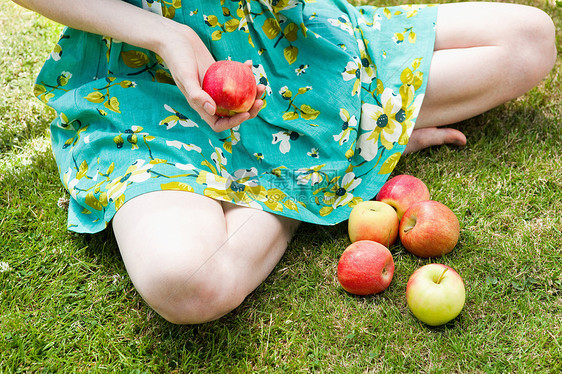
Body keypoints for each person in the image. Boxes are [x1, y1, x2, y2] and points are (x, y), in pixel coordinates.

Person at [12, 0, 556, 324]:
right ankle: (321, 179)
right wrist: (164, 34)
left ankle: (341, 148)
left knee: (528, 41)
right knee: (184, 283)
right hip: (150, 78)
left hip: (295, 57)